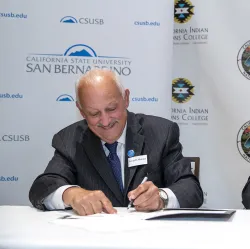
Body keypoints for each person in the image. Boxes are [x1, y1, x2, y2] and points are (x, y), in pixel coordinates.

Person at [29, 69, 203, 215]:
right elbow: (42, 187)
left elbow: (191, 188)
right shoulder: (69, 140)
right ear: (81, 111)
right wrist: (70, 194)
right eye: (94, 114)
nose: (105, 122)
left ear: (126, 98)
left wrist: (162, 198)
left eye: (111, 109)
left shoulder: (161, 132)